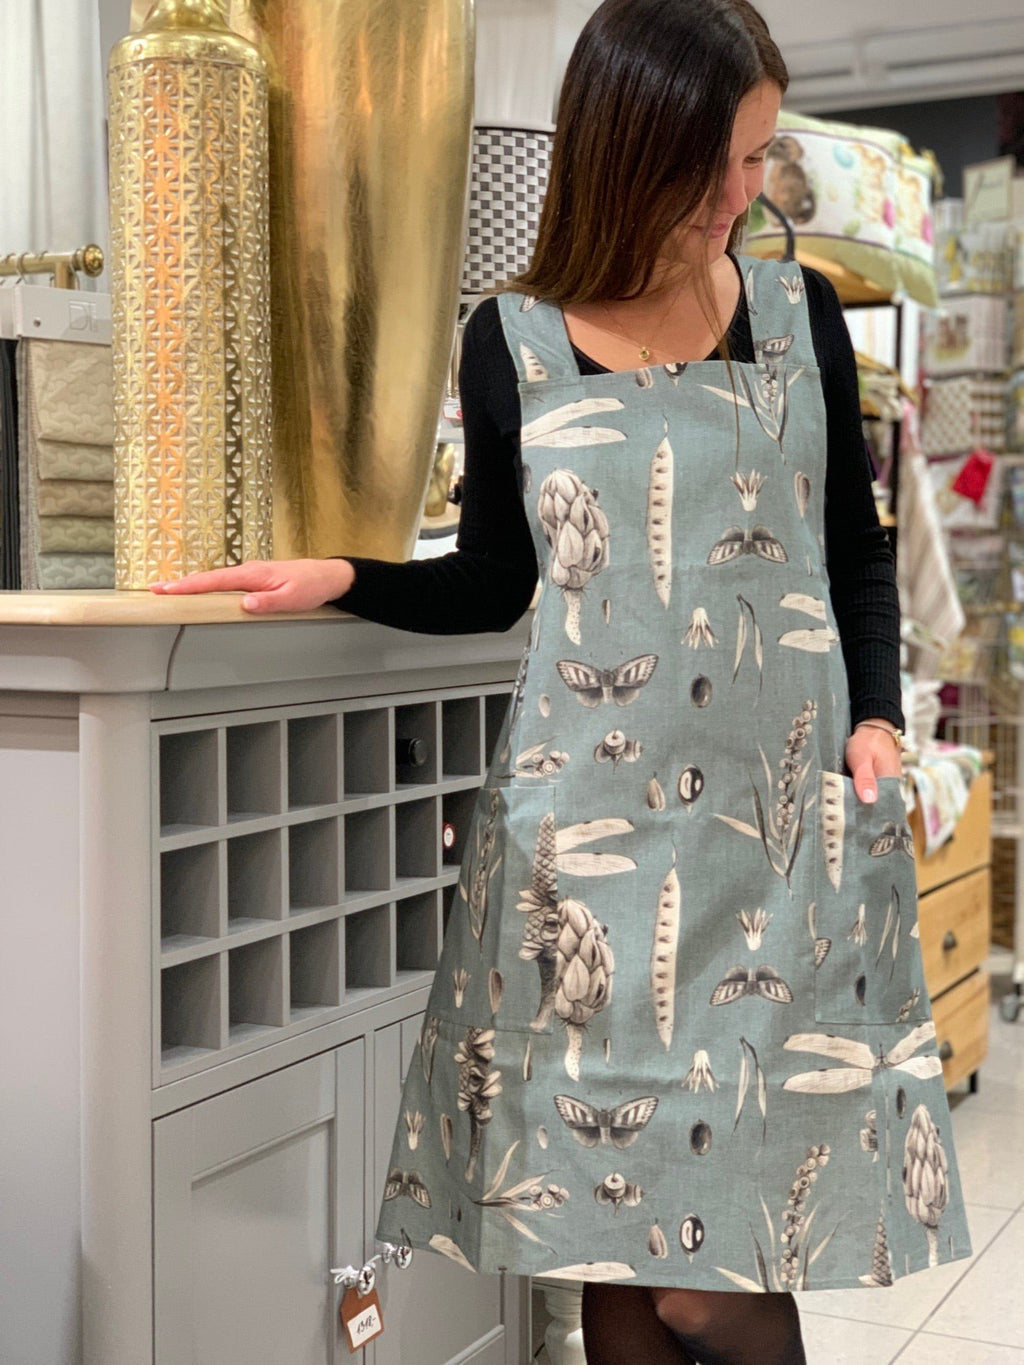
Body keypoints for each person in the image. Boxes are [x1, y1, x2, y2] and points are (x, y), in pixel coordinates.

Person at [153, 2, 972, 1361]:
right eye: (716, 161)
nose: (740, 194)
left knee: (723, 1264)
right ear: (627, 145)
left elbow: (858, 559)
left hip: (771, 856)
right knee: (608, 1250)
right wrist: (347, 576)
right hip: (584, 857)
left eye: (759, 159)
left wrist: (878, 717)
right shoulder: (514, 339)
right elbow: (497, 582)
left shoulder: (797, 317)